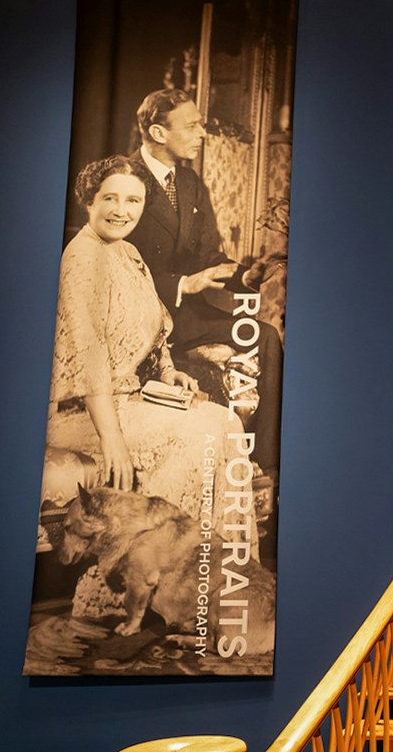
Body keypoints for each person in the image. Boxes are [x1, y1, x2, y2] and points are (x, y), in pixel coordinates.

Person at [44, 155, 254, 555]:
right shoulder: (82, 258)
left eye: (134, 201)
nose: (122, 212)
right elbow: (89, 357)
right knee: (201, 435)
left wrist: (168, 370)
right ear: (89, 200)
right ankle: (153, 567)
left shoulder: (127, 253)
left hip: (127, 399)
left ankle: (204, 575)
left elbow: (156, 325)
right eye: (111, 198)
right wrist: (112, 440)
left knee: (223, 422)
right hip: (83, 412)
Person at [124, 88, 283, 473]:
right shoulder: (125, 179)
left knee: (266, 336)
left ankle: (265, 467)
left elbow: (209, 256)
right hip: (139, 318)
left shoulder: (191, 182)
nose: (203, 133)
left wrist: (245, 274)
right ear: (159, 133)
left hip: (186, 316)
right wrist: (183, 284)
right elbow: (119, 266)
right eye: (192, 125)